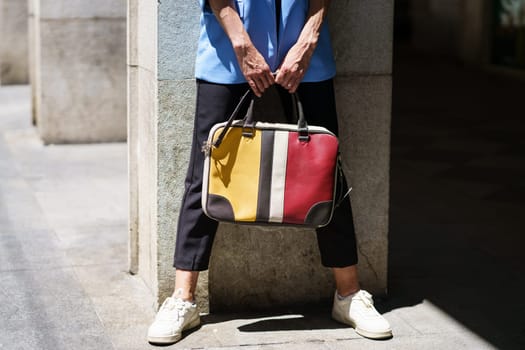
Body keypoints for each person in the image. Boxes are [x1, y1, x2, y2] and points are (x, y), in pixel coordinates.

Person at [147, 0, 392, 345]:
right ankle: (182, 299)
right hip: (229, 52)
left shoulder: (308, 46)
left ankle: (348, 294)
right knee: (209, 168)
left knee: (325, 169)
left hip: (305, 52)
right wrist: (242, 44)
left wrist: (308, 40)